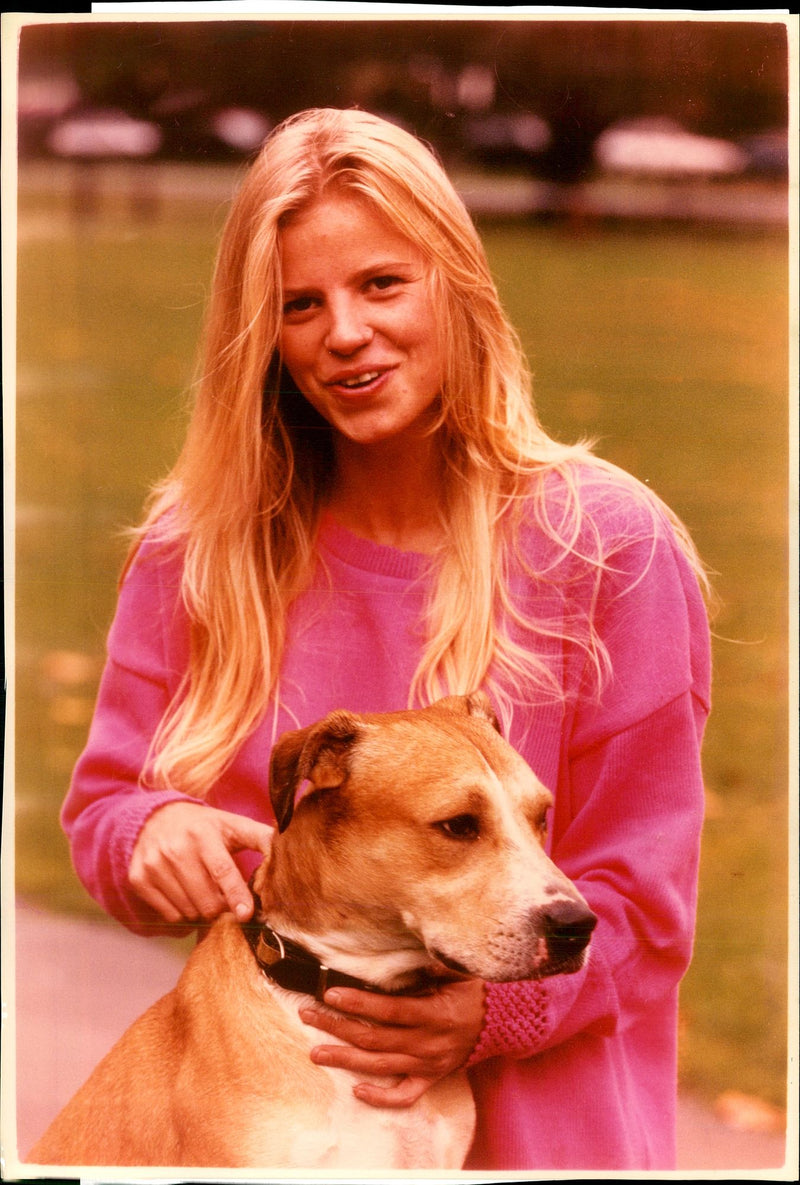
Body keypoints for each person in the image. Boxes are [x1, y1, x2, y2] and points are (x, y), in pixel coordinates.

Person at [61, 107, 711, 1171]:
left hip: (543, 1137)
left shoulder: (605, 545)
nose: (344, 334)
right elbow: (105, 810)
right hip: (273, 1110)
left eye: (381, 284)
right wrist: (149, 834)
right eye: (298, 305)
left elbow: (644, 901)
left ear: (454, 280)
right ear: (256, 337)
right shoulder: (199, 550)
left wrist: (489, 1018)